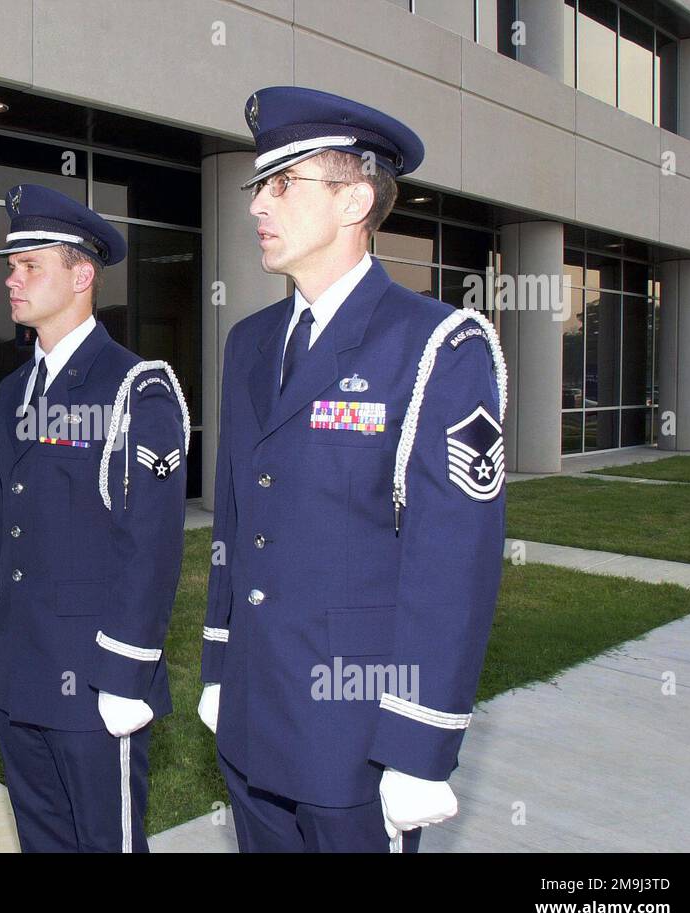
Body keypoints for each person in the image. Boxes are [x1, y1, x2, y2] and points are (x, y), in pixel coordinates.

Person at [198, 86, 508, 853]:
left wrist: (420, 743)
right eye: (257, 187)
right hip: (253, 711)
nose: (257, 207)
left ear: (354, 200)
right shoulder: (251, 342)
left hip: (355, 735)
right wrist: (218, 663)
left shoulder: (438, 344)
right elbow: (238, 520)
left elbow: (452, 563)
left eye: (282, 184)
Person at [0, 184, 191, 852]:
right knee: (41, 836)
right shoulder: (15, 390)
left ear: (81, 275)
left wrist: (127, 673)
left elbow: (151, 546)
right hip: (19, 664)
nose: (12, 280)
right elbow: (6, 518)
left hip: (94, 677)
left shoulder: (134, 387)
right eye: (11, 267)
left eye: (29, 265)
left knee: (107, 841)